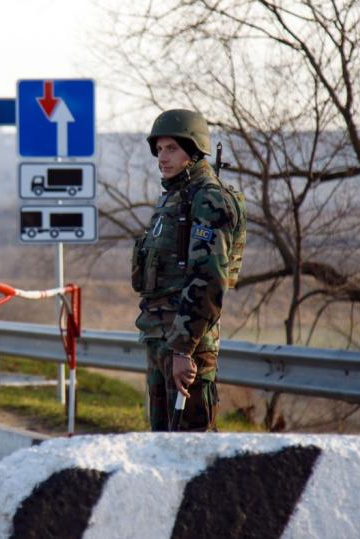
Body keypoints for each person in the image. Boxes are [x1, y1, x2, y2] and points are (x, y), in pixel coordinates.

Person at [131, 109, 246, 431]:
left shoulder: (208, 199)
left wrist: (183, 349)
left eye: (172, 149)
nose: (162, 157)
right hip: (161, 337)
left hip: (187, 344)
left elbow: (209, 280)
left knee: (191, 448)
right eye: (159, 149)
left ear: (193, 151)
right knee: (162, 446)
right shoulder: (174, 197)